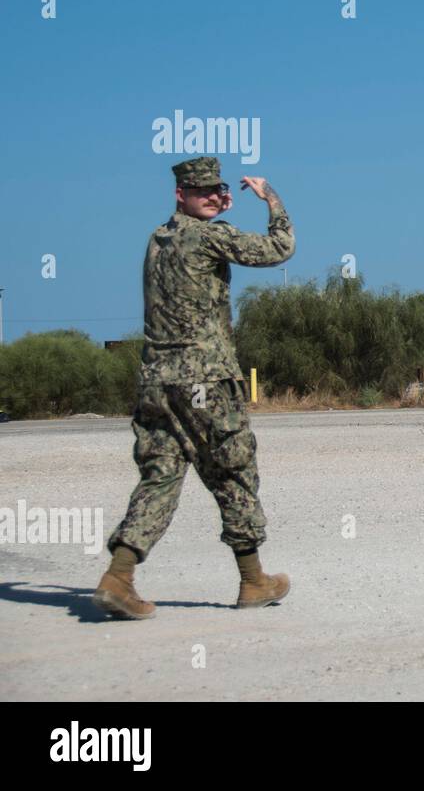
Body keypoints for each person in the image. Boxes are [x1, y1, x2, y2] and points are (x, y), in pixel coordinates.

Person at [94, 157, 295, 619]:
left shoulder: (157, 240)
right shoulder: (211, 236)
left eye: (216, 189)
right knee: (233, 471)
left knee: (161, 474)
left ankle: (118, 575)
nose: (210, 196)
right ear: (180, 194)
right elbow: (280, 247)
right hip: (204, 379)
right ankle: (253, 580)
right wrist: (271, 198)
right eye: (201, 190)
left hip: (156, 382)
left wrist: (209, 212)